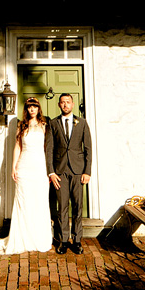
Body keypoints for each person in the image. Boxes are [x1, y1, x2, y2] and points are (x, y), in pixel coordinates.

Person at [0, 97, 54, 255]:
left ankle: (38, 237)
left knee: (39, 201)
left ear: (39, 109)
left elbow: (47, 148)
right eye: (30, 107)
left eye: (35, 107)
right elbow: (17, 146)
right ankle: (22, 237)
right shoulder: (21, 126)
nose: (32, 110)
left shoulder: (44, 125)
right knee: (24, 202)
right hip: (24, 166)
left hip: (39, 166)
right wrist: (13, 166)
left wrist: (48, 170)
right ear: (26, 109)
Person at [46, 93, 92, 255]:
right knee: (62, 207)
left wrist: (87, 172)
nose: (65, 105)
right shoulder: (53, 123)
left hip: (78, 172)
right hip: (60, 172)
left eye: (68, 102)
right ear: (59, 105)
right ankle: (63, 240)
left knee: (78, 207)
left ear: (72, 105)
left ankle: (77, 240)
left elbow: (88, 148)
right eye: (62, 102)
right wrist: (51, 171)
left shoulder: (82, 123)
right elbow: (49, 149)